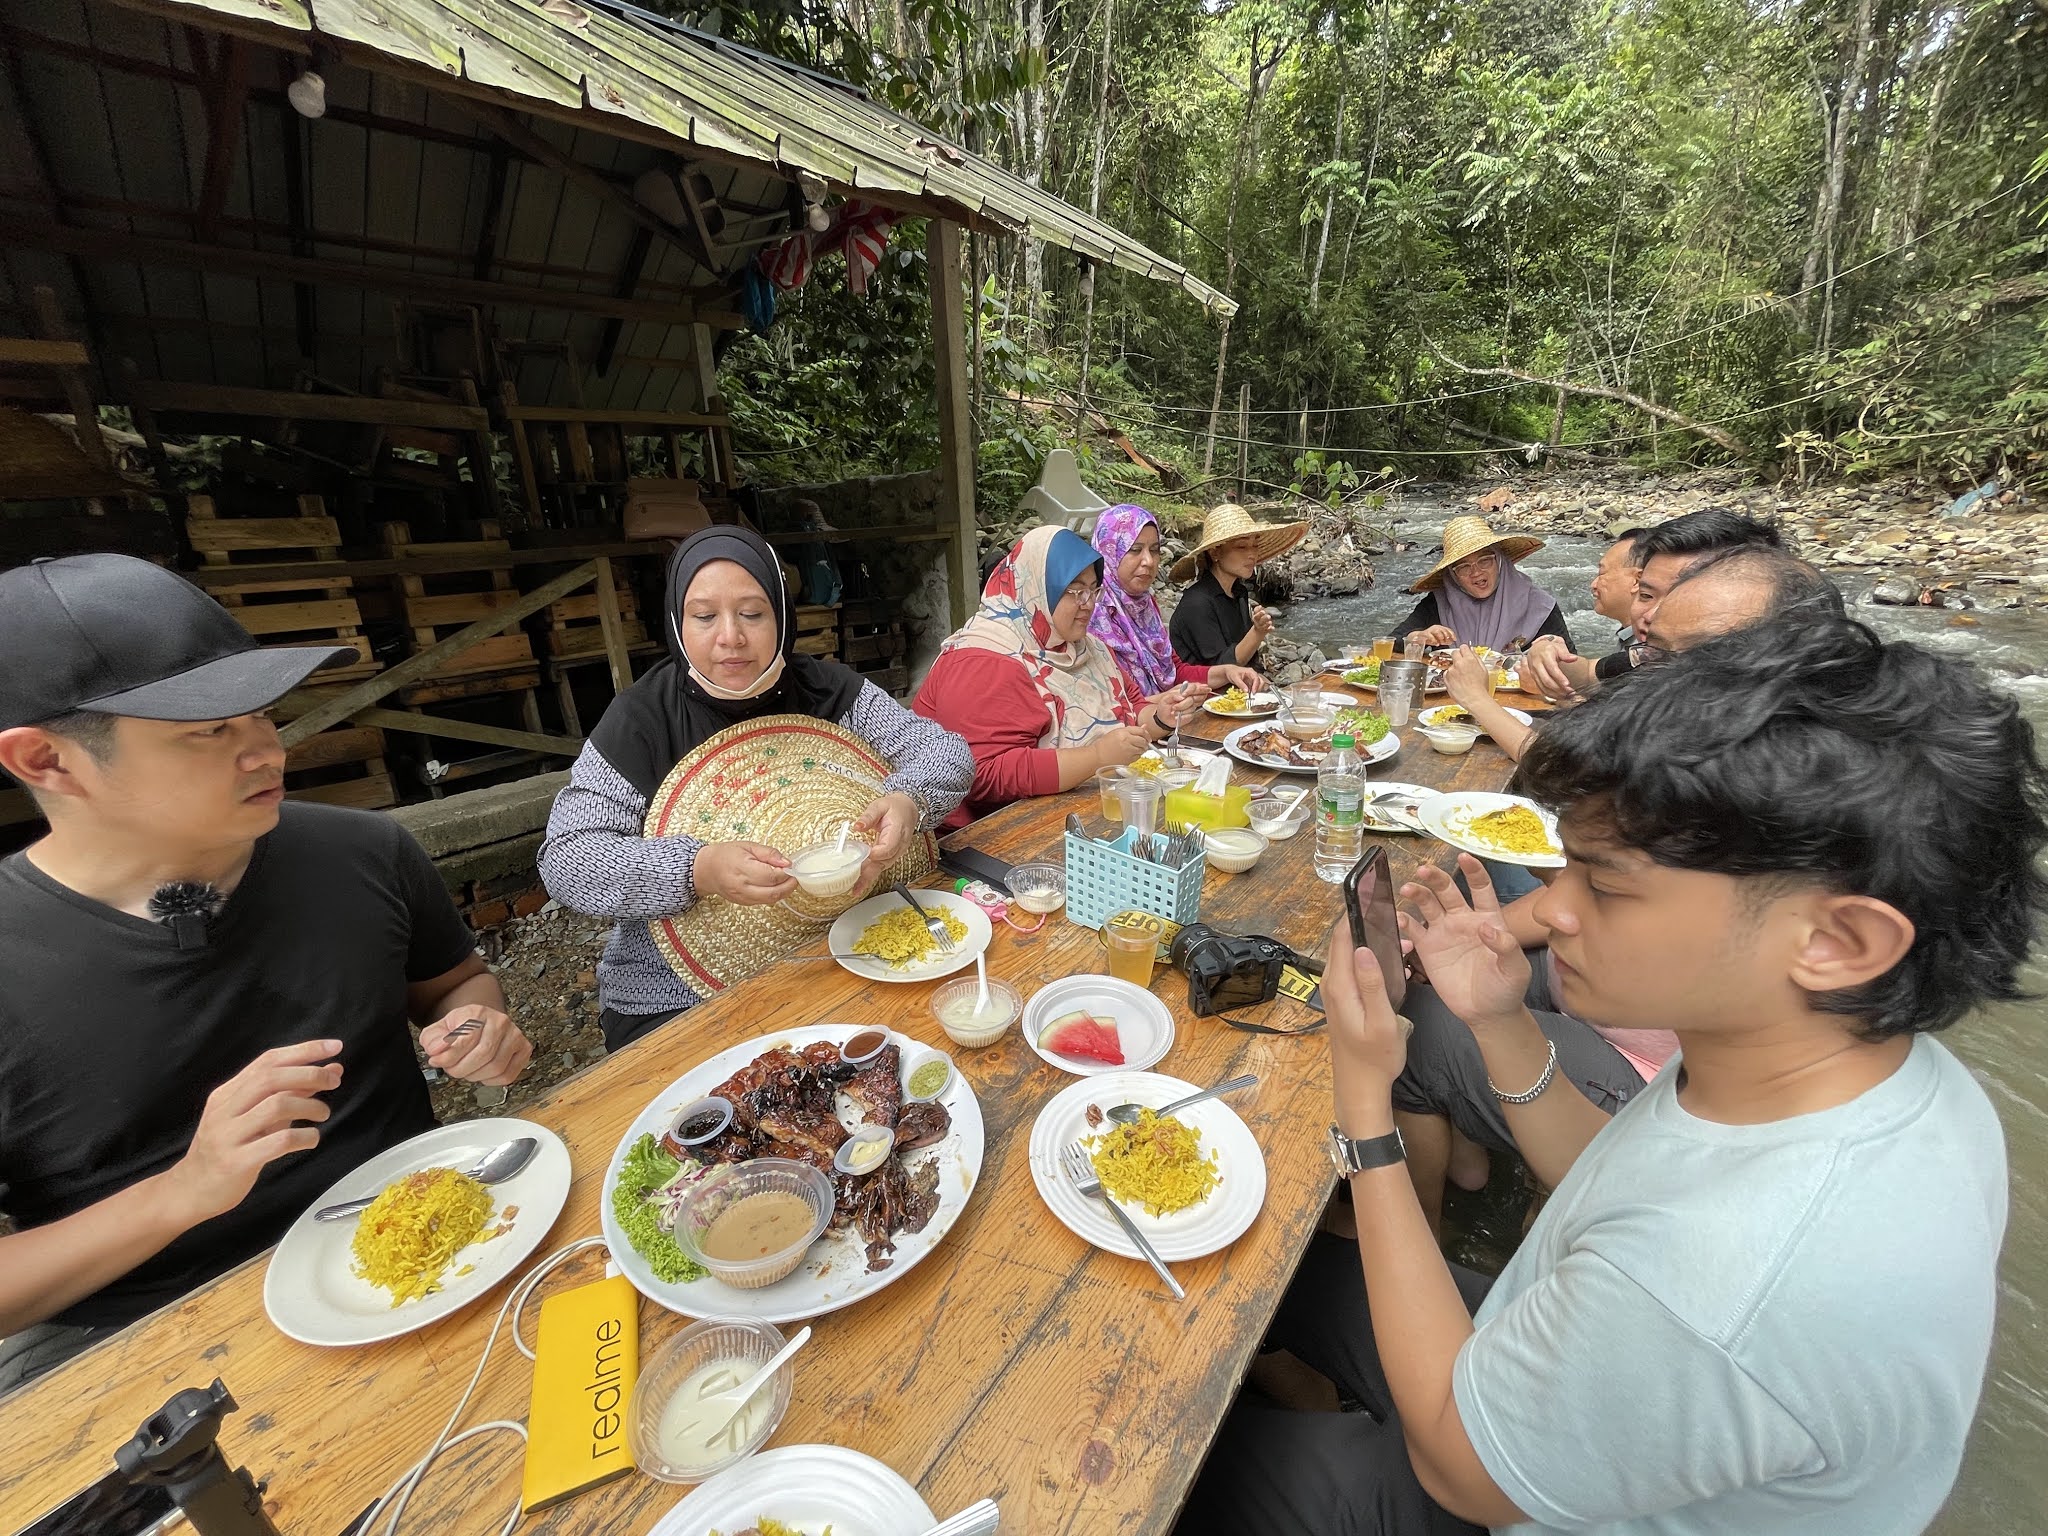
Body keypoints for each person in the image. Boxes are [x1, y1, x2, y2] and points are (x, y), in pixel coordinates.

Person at [1177, 613, 2034, 1536]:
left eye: (1606, 885)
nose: (1552, 910)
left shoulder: (1723, 1284)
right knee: (1269, 1278)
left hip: (1485, 1489)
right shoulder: (1874, 1072)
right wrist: (1499, 1023)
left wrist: (1366, 1114)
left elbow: (1462, 1474)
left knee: (1162, 1466)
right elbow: (1615, 1177)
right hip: (1558, 1364)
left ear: (1838, 940)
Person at [0, 555, 532, 1391]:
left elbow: (453, 982)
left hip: (435, 1243)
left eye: (260, 715)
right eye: (208, 730)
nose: (265, 752)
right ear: (46, 761)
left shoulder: (363, 852)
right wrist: (186, 1189)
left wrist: (475, 1023)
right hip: (149, 1340)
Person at [1394, 548, 1847, 1230]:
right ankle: (1471, 1159)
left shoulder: (1733, 809)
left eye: (1668, 646)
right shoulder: (1749, 767)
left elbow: (1581, 876)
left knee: (1415, 1031)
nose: (1641, 643)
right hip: (1644, 1032)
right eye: (1648, 637)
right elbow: (1579, 898)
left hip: (1648, 1079)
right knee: (1458, 950)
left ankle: (1424, 1224)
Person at [539, 526, 973, 1052]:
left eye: (752, 613)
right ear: (677, 622)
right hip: (679, 992)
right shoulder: (643, 719)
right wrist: (697, 870)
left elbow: (945, 752)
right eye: (704, 616)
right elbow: (566, 857)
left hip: (841, 948)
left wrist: (910, 799)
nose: (731, 637)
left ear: (782, 618)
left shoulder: (826, 689)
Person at [915, 525, 1204, 825]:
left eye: (1094, 589)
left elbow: (1129, 706)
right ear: (1037, 587)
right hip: (986, 833)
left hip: (1075, 809)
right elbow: (982, 774)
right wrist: (1097, 758)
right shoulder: (984, 658)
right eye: (1075, 591)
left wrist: (1160, 718)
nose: (1089, 603)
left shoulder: (1086, 648)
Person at [1522, 509, 1782, 700]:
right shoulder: (1652, 657)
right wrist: (1547, 651)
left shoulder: (1760, 709)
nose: (1653, 616)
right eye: (1646, 596)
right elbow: (1590, 672)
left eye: (1677, 599)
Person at [1088, 503, 1266, 698]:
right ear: (1109, 552)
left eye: (1154, 550)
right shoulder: (1093, 615)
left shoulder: (1145, 607)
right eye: (1135, 550)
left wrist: (1227, 672)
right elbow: (1111, 706)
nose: (1148, 561)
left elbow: (1175, 672)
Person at [1396, 516, 1572, 651]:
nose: (1476, 572)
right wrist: (1420, 637)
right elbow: (1391, 641)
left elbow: (1570, 662)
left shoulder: (1539, 605)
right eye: (1463, 567)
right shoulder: (1439, 603)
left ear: (1500, 562)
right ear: (1453, 575)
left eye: (1485, 561)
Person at [1166, 504, 1307, 669]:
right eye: (1241, 546)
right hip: (1203, 692)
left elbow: (1248, 660)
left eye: (1255, 545)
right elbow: (1222, 668)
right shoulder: (1197, 603)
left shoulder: (1238, 593)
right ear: (1215, 553)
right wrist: (1258, 632)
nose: (1252, 554)